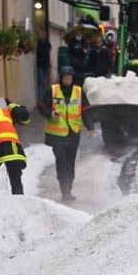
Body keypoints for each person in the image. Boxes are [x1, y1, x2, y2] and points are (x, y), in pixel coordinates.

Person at [42, 65, 91, 202]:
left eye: (70, 78)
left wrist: (90, 127)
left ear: (73, 79)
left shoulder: (79, 91)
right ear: (61, 78)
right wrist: (50, 114)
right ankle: (65, 191)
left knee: (70, 164)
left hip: (73, 134)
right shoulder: (52, 90)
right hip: (57, 135)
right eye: (65, 78)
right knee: (61, 162)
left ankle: (68, 187)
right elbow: (43, 107)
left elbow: (85, 111)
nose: (67, 81)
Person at [35, 29, 52, 113]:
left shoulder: (46, 44)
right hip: (40, 66)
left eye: (44, 34)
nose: (43, 36)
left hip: (45, 66)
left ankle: (42, 101)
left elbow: (48, 53)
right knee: (42, 84)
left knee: (43, 84)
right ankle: (41, 101)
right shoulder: (39, 44)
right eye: (41, 34)